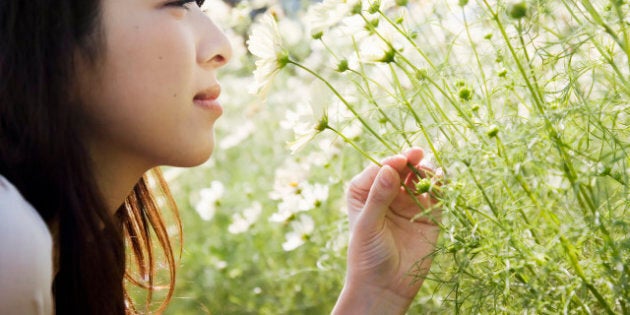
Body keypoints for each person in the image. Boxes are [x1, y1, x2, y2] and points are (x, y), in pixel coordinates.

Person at [0, 0, 441, 314]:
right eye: (176, 2)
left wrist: (374, 291)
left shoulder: (63, 259)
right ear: (50, 37)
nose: (222, 46)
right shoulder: (10, 242)